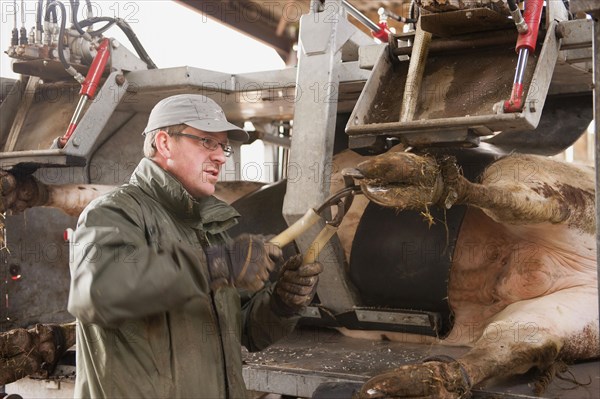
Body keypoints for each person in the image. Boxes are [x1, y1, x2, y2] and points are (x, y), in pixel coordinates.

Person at [67, 94, 323, 398]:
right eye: (206, 142)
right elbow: (98, 294)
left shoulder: (206, 228)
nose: (221, 157)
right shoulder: (113, 213)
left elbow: (240, 331)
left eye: (223, 146)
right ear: (164, 143)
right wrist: (215, 264)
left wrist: (281, 303)